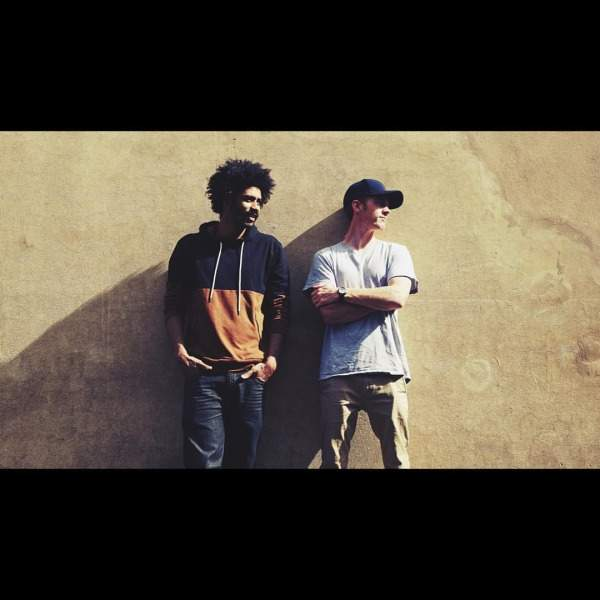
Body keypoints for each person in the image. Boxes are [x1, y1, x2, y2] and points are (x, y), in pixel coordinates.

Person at [164, 159, 290, 468]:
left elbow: (279, 309)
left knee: (243, 461)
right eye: (248, 199)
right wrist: (179, 350)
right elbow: (173, 304)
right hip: (203, 376)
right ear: (226, 197)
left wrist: (270, 361)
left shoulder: (269, 249)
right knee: (203, 463)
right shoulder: (191, 248)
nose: (255, 207)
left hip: (250, 375)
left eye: (259, 201)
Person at [303, 178, 419, 469]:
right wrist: (378, 301)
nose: (387, 210)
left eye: (388, 205)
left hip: (387, 370)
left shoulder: (396, 252)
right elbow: (329, 315)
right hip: (338, 373)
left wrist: (343, 293)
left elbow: (397, 298)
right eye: (380, 203)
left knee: (398, 461)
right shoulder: (326, 258)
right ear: (357, 206)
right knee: (333, 462)